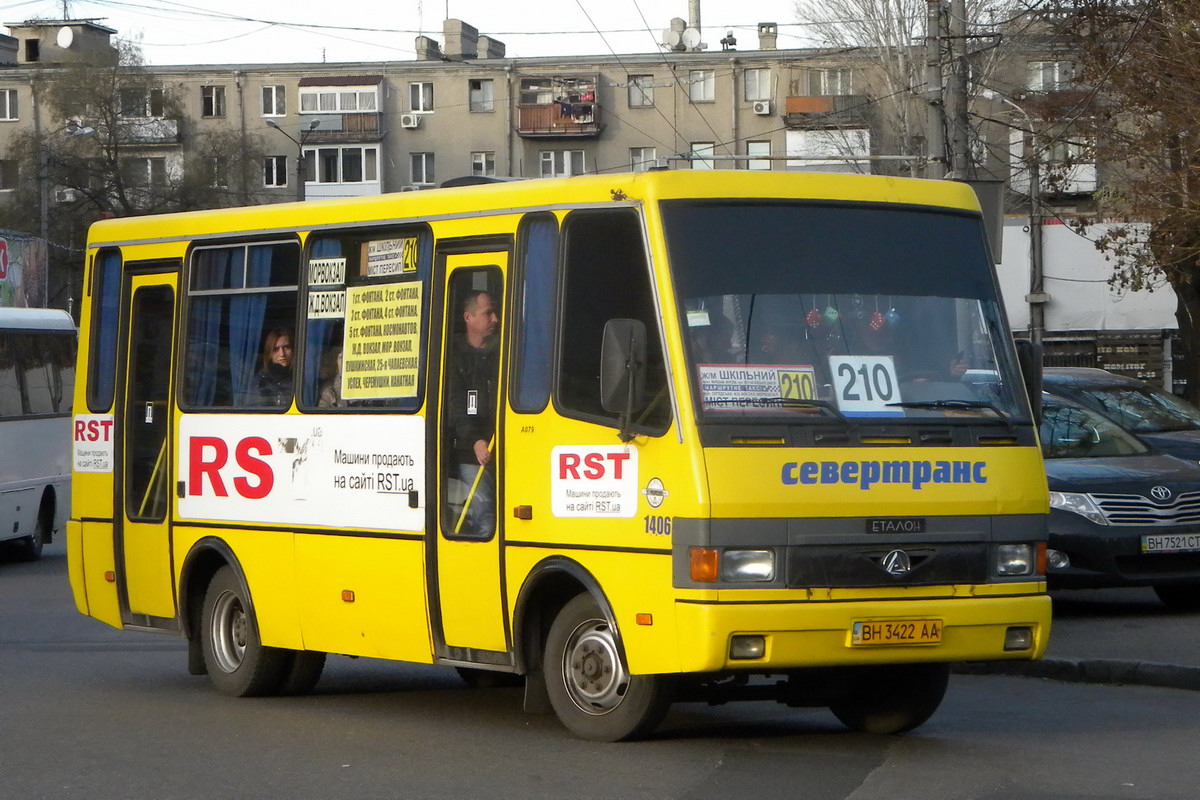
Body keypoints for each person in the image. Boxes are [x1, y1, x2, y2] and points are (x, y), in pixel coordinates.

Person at [447, 290, 499, 537]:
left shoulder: (503, 351)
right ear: (468, 317)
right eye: (488, 313)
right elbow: (455, 408)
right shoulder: (453, 357)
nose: (495, 319)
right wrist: (476, 441)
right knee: (485, 512)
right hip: (471, 453)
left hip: (503, 447)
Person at [255, 327, 294, 407]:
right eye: (276, 349)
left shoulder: (302, 379)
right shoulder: (260, 382)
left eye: (286, 347)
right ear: (269, 354)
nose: (282, 354)